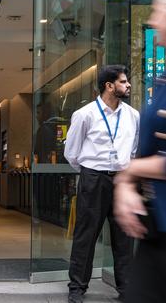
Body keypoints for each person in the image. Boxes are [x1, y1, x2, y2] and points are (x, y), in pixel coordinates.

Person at [64, 65, 140, 303]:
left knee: (124, 238)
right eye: (123, 82)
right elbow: (72, 153)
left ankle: (126, 289)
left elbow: (134, 149)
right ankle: (77, 288)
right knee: (85, 235)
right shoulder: (85, 114)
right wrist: (91, 173)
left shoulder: (133, 115)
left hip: (122, 180)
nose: (128, 85)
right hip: (93, 179)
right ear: (109, 86)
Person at [114, 0, 166, 303]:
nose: (151, 19)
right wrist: (126, 184)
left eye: (158, 10)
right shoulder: (163, 79)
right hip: (156, 229)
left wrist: (129, 172)